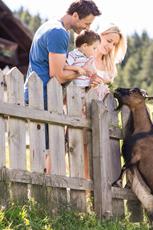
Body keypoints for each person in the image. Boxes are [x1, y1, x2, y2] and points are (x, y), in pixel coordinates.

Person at [23, 0, 101, 174]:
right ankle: (45, 194)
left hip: (39, 94)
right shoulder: (59, 33)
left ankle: (43, 193)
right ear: (75, 15)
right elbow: (57, 74)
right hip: (44, 96)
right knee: (48, 151)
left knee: (44, 149)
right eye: (86, 23)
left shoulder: (49, 26)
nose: (87, 29)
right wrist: (83, 72)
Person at [91, 23, 127, 100]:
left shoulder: (110, 68)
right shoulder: (83, 57)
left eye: (114, 44)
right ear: (99, 35)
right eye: (109, 41)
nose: (111, 47)